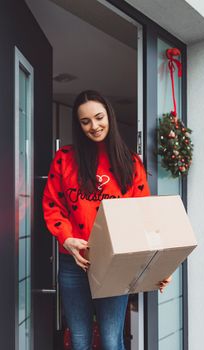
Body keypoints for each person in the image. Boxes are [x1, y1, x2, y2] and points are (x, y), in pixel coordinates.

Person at [42, 90, 172, 350]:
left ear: (109, 117)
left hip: (116, 263)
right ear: (78, 125)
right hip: (73, 264)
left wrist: (156, 265)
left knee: (112, 341)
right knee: (79, 340)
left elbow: (144, 217)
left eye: (99, 117)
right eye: (85, 121)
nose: (94, 126)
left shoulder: (131, 163)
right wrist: (66, 239)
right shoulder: (65, 158)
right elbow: (53, 205)